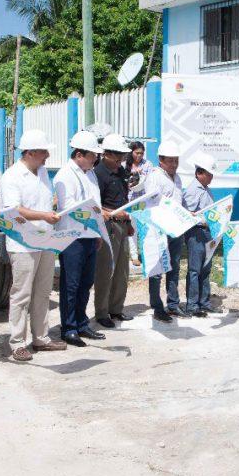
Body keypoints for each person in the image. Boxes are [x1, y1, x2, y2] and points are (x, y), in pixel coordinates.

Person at [1, 130, 66, 361]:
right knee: (21, 294)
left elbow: (45, 202)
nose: (47, 156)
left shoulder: (42, 173)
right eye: (43, 152)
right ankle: (17, 342)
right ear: (29, 153)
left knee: (43, 292)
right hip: (23, 244)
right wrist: (43, 216)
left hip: (45, 240)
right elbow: (14, 210)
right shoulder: (12, 176)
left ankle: (41, 337)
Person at [54, 130, 106, 346]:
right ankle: (69, 327)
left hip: (90, 234)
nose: (96, 159)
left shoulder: (90, 173)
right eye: (92, 155)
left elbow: (96, 203)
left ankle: (82, 323)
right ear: (79, 154)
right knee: (71, 284)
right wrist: (96, 217)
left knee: (86, 283)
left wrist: (98, 230)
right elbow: (69, 208)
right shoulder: (65, 175)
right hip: (73, 237)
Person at [93, 133, 134, 329]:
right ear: (106, 154)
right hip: (108, 225)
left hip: (123, 225)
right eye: (117, 155)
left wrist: (129, 223)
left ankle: (116, 308)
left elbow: (123, 199)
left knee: (121, 271)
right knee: (105, 271)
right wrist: (112, 214)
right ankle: (101, 312)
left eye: (123, 155)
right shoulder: (98, 174)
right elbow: (96, 205)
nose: (120, 159)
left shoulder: (121, 173)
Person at [146, 140, 187, 322]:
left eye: (176, 160)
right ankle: (157, 307)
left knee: (174, 267)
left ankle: (173, 303)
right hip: (159, 229)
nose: (174, 164)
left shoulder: (177, 178)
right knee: (157, 269)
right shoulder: (154, 177)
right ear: (161, 160)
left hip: (176, 230)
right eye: (170, 160)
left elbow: (179, 202)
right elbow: (154, 203)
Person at [182, 152, 218, 318]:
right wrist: (202, 221)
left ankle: (204, 302)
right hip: (196, 233)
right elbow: (188, 214)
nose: (211, 178)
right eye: (209, 174)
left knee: (206, 268)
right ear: (199, 173)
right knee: (195, 270)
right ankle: (192, 305)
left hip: (207, 233)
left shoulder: (206, 190)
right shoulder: (192, 190)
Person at [125, 141, 153, 267]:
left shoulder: (147, 164)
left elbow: (151, 180)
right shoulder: (124, 164)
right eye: (137, 153)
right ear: (131, 152)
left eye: (141, 153)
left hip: (143, 201)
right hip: (130, 200)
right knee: (132, 229)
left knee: (145, 227)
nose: (139, 156)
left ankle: (147, 254)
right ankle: (134, 255)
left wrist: (141, 175)